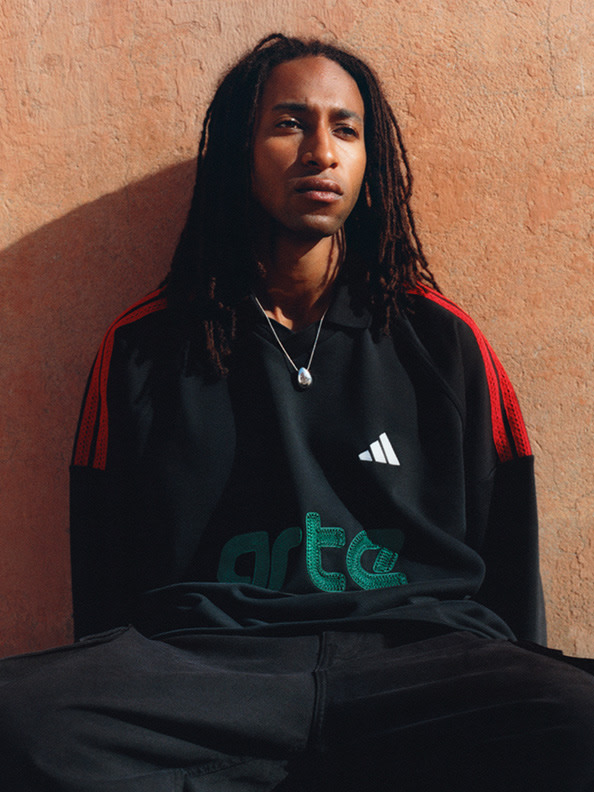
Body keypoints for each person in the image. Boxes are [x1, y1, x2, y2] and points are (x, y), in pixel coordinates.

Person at [1, 32, 594, 792]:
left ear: (369, 160)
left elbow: (510, 559)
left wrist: (514, 684)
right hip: (208, 671)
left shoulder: (443, 340)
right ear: (238, 153)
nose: (321, 150)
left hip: (415, 661)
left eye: (345, 128)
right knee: (20, 722)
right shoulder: (144, 346)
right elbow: (106, 566)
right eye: (290, 124)